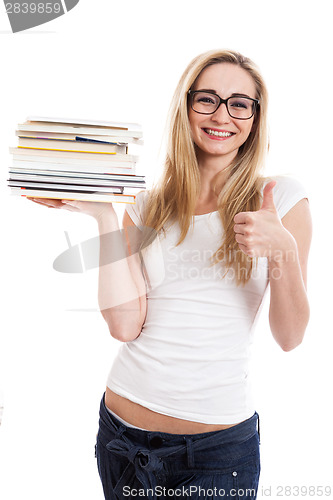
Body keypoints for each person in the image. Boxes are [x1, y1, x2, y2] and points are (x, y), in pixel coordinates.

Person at [29, 49, 312, 499]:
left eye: (240, 103)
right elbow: (124, 325)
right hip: (121, 434)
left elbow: (290, 335)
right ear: (186, 106)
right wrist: (105, 216)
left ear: (255, 119)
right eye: (208, 99)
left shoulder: (280, 200)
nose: (223, 114)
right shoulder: (146, 205)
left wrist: (282, 250)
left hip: (218, 452)